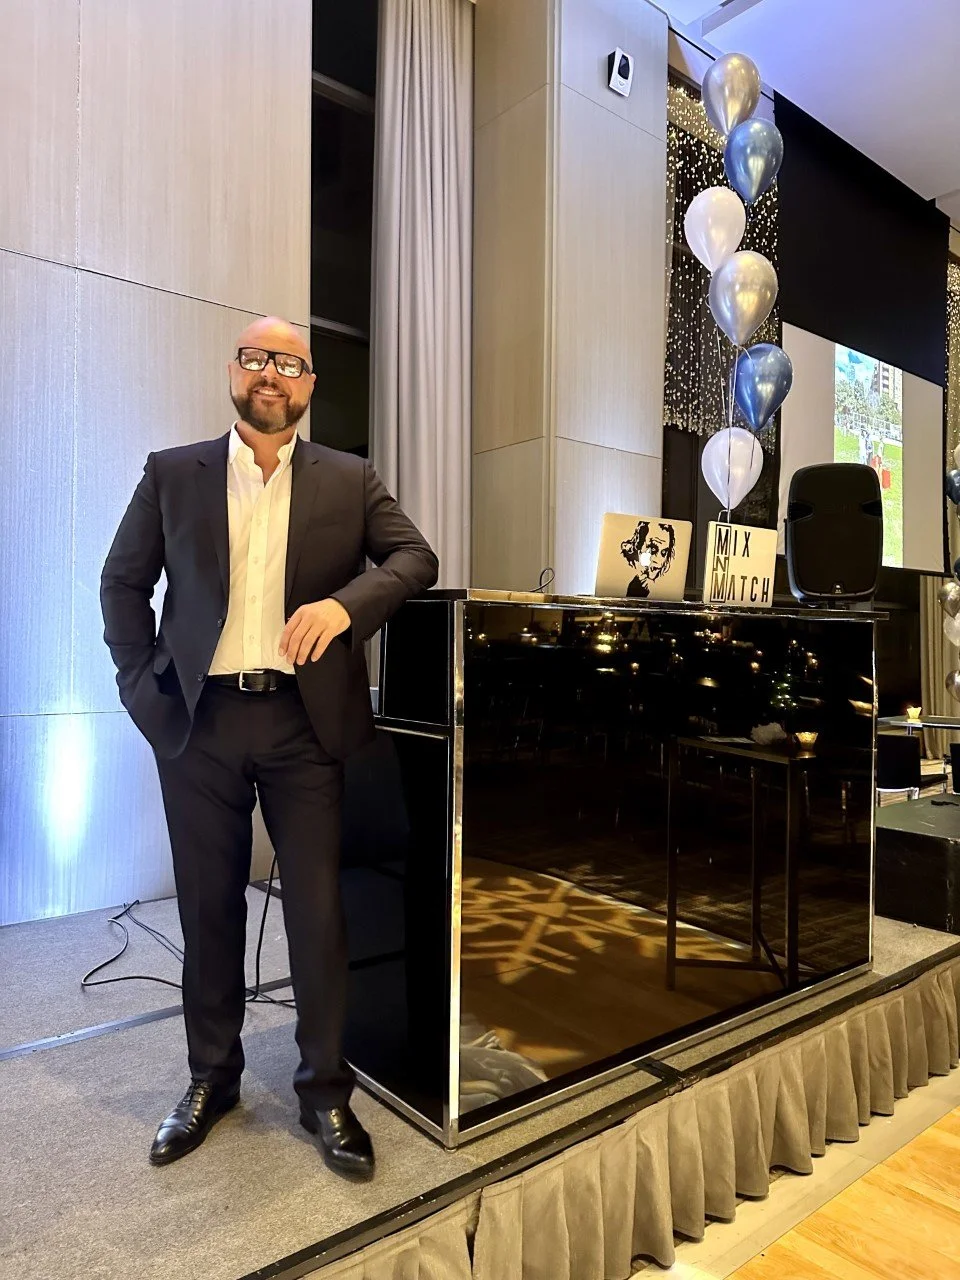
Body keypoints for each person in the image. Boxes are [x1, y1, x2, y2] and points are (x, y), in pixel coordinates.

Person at [101, 317, 438, 1181]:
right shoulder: (173, 472)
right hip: (200, 723)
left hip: (303, 725)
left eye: (288, 363)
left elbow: (415, 558)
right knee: (207, 909)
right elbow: (123, 583)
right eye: (256, 359)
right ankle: (212, 1080)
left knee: (317, 914)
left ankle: (324, 1091)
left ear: (309, 384)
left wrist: (345, 607)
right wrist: (143, 690)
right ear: (234, 372)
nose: (270, 374)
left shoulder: (350, 478)